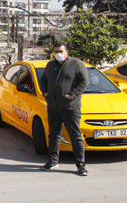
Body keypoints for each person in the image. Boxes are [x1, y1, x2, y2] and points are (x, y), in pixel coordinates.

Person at [39, 42, 90, 176]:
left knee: (75, 136)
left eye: (60, 51)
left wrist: (72, 95)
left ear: (66, 52)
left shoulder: (76, 64)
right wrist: (45, 93)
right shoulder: (50, 65)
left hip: (70, 108)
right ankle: (52, 161)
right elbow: (43, 80)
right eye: (56, 52)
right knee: (54, 135)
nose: (58, 54)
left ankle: (81, 165)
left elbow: (84, 82)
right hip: (53, 107)